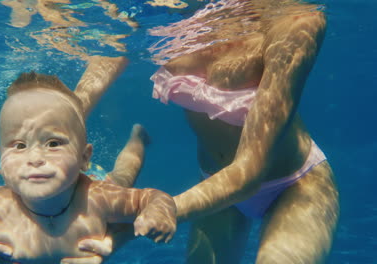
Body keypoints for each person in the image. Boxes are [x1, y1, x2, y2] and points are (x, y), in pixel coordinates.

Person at [75, 1, 339, 263]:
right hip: (214, 183)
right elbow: (110, 52)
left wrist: (138, 223)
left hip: (295, 184)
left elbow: (250, 171)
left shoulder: (294, 20)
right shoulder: (169, 12)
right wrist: (59, 132)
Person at [0, 56, 177, 264]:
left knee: (124, 175)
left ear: (84, 157)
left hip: (95, 181)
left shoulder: (99, 199)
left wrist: (158, 211)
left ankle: (137, 138)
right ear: (1, 160)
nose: (35, 158)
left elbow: (152, 196)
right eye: (19, 145)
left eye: (53, 144)